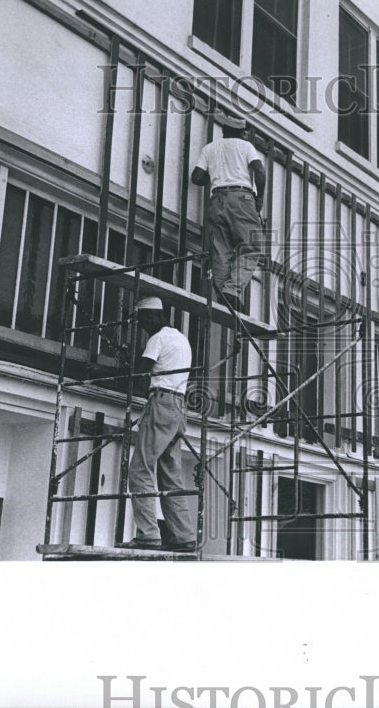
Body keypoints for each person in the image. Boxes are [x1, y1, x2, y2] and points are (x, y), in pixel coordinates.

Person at [120, 296, 196, 552]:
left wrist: (117, 369)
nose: (142, 327)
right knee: (171, 476)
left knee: (139, 470)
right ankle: (184, 537)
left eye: (142, 321)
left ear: (153, 315)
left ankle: (148, 535)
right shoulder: (182, 339)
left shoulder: (158, 338)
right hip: (179, 407)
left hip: (161, 403)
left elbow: (141, 371)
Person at [191, 112, 267, 313]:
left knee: (221, 251)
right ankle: (232, 290)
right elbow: (260, 171)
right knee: (251, 246)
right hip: (241, 199)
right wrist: (259, 197)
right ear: (242, 133)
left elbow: (197, 177)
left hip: (217, 200)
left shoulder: (209, 149)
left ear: (224, 131)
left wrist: (217, 179)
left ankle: (223, 295)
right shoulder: (245, 146)